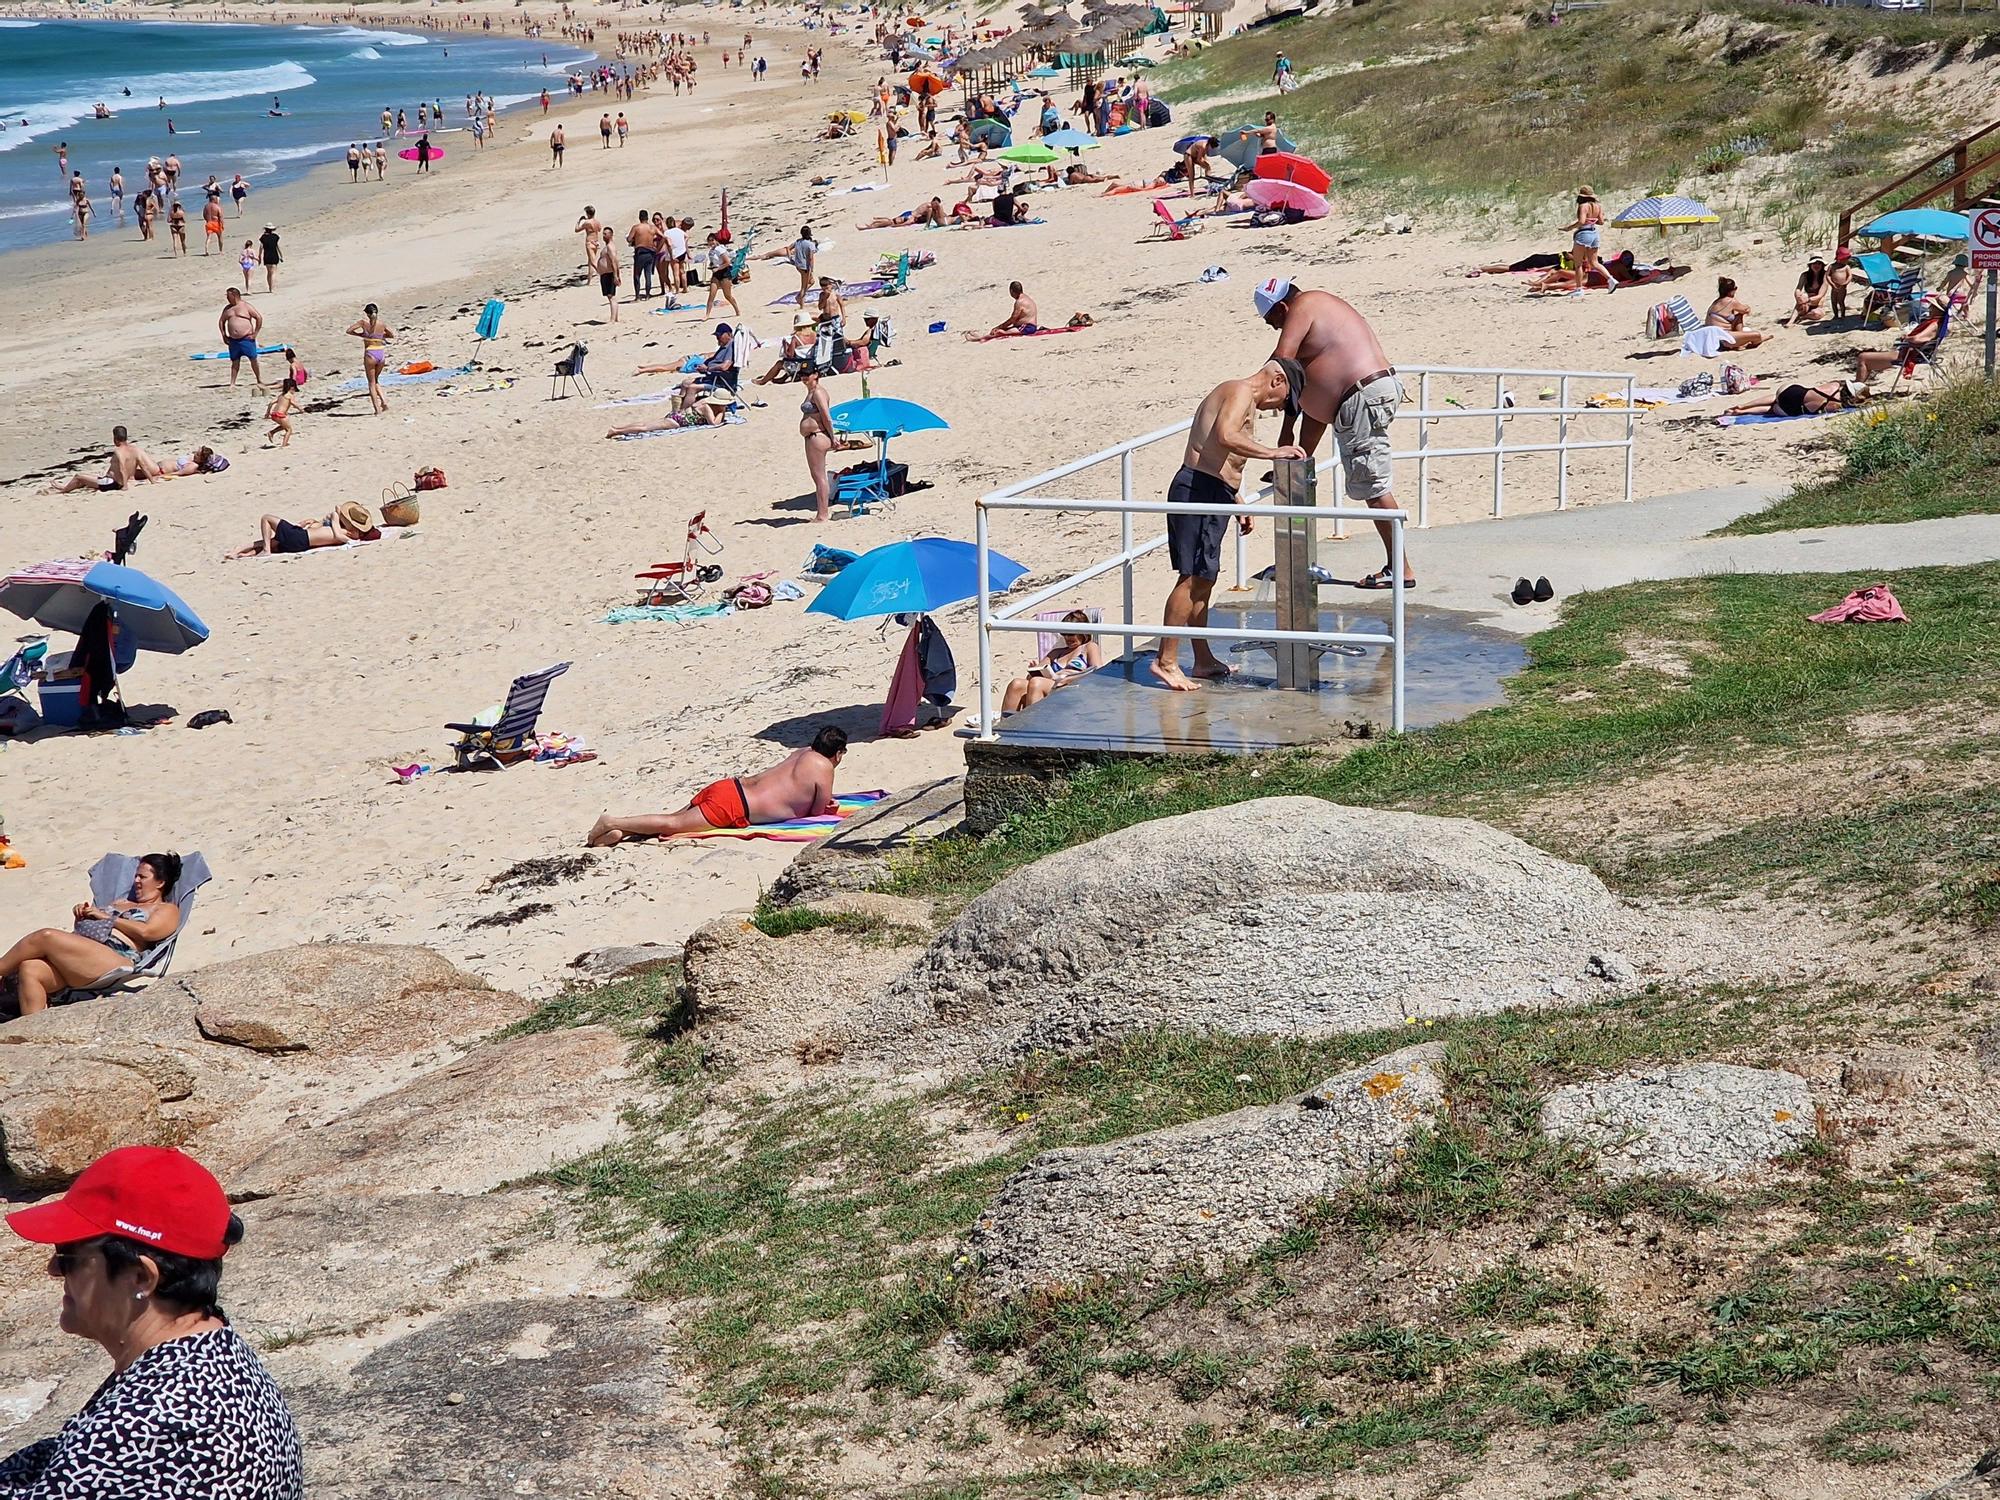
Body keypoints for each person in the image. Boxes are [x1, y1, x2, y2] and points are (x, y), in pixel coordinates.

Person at [0, 1146, 304, 1495]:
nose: (52, 1270)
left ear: (141, 1278)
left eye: (68, 1257)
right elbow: (50, 1460)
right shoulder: (212, 1357)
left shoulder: (152, 1421)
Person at [1152, 360, 1304, 691]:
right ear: (1277, 380)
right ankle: (1165, 661)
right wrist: (1273, 453)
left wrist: (1235, 498)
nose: (1278, 409)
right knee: (1192, 578)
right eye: (1284, 401)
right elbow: (1226, 435)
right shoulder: (1238, 390)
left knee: (1205, 578)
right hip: (1198, 489)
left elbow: (1216, 452)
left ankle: (1202, 659)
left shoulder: (1242, 397)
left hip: (1213, 490)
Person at [1256, 275, 1412, 590]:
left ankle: (1401, 569)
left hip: (1361, 395)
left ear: (1283, 306)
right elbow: (1314, 405)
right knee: (1371, 484)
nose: (1275, 329)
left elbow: (1281, 363)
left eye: (1274, 322)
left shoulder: (1304, 306)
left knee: (1374, 487)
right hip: (1360, 395)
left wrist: (1248, 392)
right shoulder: (1320, 310)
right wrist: (1295, 452)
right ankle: (1398, 567)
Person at [588, 727, 848, 844]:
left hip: (729, 787)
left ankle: (618, 834)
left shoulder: (800, 753)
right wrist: (832, 808)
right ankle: (611, 822)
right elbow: (817, 813)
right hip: (735, 806)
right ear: (837, 753)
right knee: (672, 825)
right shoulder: (824, 766)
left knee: (671, 821)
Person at [0, 852, 183, 1014]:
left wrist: (107, 918)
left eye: (142, 877)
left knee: (45, 936)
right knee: (30, 968)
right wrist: (84, 915)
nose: (136, 881)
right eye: (135, 875)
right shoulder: (121, 902)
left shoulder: (165, 909)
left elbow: (147, 932)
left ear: (160, 882)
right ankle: (32, 1035)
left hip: (114, 957)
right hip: (84, 957)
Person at [1001, 610, 1102, 713]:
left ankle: (1032, 726)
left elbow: (1097, 669)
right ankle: (1003, 727)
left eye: (1071, 634)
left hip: (1073, 688)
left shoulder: (1089, 647)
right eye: (1064, 634)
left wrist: (1068, 679)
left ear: (1082, 632)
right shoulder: (1056, 653)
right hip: (1051, 687)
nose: (1067, 638)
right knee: (1016, 684)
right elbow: (1030, 678)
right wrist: (1034, 671)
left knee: (1036, 683)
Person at [225, 502, 379, 559]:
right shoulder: (349, 532)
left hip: (300, 538)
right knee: (274, 542)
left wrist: (334, 518)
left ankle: (265, 550)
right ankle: (241, 553)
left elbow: (337, 527)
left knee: (266, 518)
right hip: (302, 543)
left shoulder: (345, 532)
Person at [1855, 292, 1948, 382]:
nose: (1930, 308)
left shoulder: (1934, 324)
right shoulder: (1938, 322)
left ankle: (1856, 390)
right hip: (1911, 352)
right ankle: (1860, 388)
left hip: (1908, 355)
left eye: (1932, 306)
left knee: (1862, 358)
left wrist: (1907, 338)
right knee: (1867, 361)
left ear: (1938, 310)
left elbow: (1917, 339)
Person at [798, 367, 836, 523]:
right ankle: (822, 513)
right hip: (813, 437)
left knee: (819, 477)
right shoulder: (811, 392)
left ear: (816, 375)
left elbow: (827, 417)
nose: (804, 378)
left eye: (807, 375)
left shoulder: (818, 392)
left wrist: (833, 438)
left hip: (817, 436)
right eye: (802, 375)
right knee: (817, 476)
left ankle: (822, 514)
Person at [1723, 379, 1868, 419]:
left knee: (1776, 397)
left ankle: (1742, 405)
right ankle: (1740, 413)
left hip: (1789, 391)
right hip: (1788, 410)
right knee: (1773, 409)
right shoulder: (1836, 406)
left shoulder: (1834, 385)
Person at [1696, 276, 1768, 351]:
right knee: (1756, 335)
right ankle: (1747, 342)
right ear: (1732, 290)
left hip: (1713, 338)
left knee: (1738, 316)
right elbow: (1746, 310)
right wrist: (1747, 307)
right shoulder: (1731, 301)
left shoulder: (1716, 302)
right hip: (1724, 340)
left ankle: (1740, 343)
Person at [217, 288, 265, 390]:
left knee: (253, 359)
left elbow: (258, 317)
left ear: (234, 296)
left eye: (228, 296)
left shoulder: (246, 306)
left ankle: (259, 379)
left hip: (246, 338)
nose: (227, 298)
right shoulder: (227, 309)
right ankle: (232, 383)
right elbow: (221, 321)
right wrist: (224, 335)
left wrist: (255, 333)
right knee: (235, 361)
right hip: (233, 340)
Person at [1562, 184, 1604, 288]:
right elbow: (1601, 222)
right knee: (1594, 262)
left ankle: (1579, 288)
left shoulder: (1583, 206)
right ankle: (1610, 279)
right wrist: (1592, 220)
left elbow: (1581, 221)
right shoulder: (1598, 207)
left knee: (1578, 264)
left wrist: (1569, 227)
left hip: (1584, 233)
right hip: (1594, 233)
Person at [704, 233, 741, 318]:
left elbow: (727, 262)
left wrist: (718, 268)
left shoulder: (720, 249)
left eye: (712, 240)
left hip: (724, 273)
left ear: (716, 240)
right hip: (716, 274)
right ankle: (707, 315)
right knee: (711, 295)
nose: (711, 242)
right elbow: (714, 262)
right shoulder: (711, 251)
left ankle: (737, 309)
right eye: (709, 241)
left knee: (727, 295)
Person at [628, 209, 660, 299]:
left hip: (640, 252)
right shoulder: (652, 228)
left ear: (639, 218)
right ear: (647, 217)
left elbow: (629, 239)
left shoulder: (636, 227)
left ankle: (637, 296)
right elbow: (663, 235)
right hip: (651, 252)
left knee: (637, 275)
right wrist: (657, 246)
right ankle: (647, 295)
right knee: (648, 274)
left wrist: (635, 239)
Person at [858, 198, 945, 230]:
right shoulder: (929, 207)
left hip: (909, 213)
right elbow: (911, 221)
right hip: (910, 216)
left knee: (892, 220)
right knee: (891, 223)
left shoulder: (927, 204)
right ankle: (870, 226)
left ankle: (876, 220)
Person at [1793, 253, 1829, 323]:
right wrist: (1798, 297)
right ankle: (1791, 321)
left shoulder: (1825, 276)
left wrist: (1808, 300)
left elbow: (1820, 295)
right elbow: (1798, 288)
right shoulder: (1805, 275)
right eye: (1814, 264)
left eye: (1819, 263)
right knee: (1802, 297)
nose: (1816, 266)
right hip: (1805, 303)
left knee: (1817, 314)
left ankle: (1803, 317)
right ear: (1810, 265)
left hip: (1818, 303)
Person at [264, 378, 301, 447]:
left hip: (274, 414)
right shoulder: (289, 395)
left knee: (284, 426)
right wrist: (301, 410)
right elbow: (294, 404)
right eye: (294, 390)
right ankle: (284, 444)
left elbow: (271, 403)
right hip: (280, 415)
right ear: (292, 388)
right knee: (289, 430)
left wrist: (267, 413)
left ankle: (271, 432)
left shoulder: (281, 395)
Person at [595, 235, 622, 322]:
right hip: (605, 274)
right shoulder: (607, 247)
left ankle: (613, 319)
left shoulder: (610, 247)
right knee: (609, 296)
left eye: (606, 234)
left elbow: (614, 261)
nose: (604, 236)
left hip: (609, 274)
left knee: (611, 297)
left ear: (610, 235)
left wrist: (616, 275)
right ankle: (615, 318)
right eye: (603, 234)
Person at [790, 224, 818, 308]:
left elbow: (788, 248)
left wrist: (790, 258)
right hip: (805, 267)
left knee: (812, 282)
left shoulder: (798, 241)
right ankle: (801, 303)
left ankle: (799, 296)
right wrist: (811, 269)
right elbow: (810, 258)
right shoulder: (810, 244)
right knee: (804, 286)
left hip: (798, 265)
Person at [258, 222, 282, 292]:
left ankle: (270, 287)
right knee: (273, 272)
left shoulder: (263, 237)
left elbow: (261, 248)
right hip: (274, 255)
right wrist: (281, 255)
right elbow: (277, 246)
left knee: (268, 272)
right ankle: (272, 288)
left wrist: (259, 257)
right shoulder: (275, 237)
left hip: (267, 256)